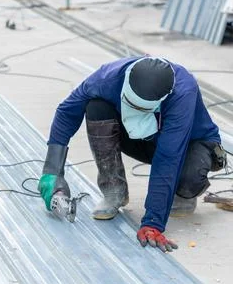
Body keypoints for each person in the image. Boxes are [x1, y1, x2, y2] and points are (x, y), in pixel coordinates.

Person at [38, 56, 227, 253]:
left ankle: (183, 192)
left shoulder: (183, 92)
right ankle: (114, 190)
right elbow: (67, 111)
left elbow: (169, 156)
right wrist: (52, 170)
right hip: (144, 138)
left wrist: (153, 222)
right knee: (96, 106)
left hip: (189, 144)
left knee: (189, 178)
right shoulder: (107, 78)